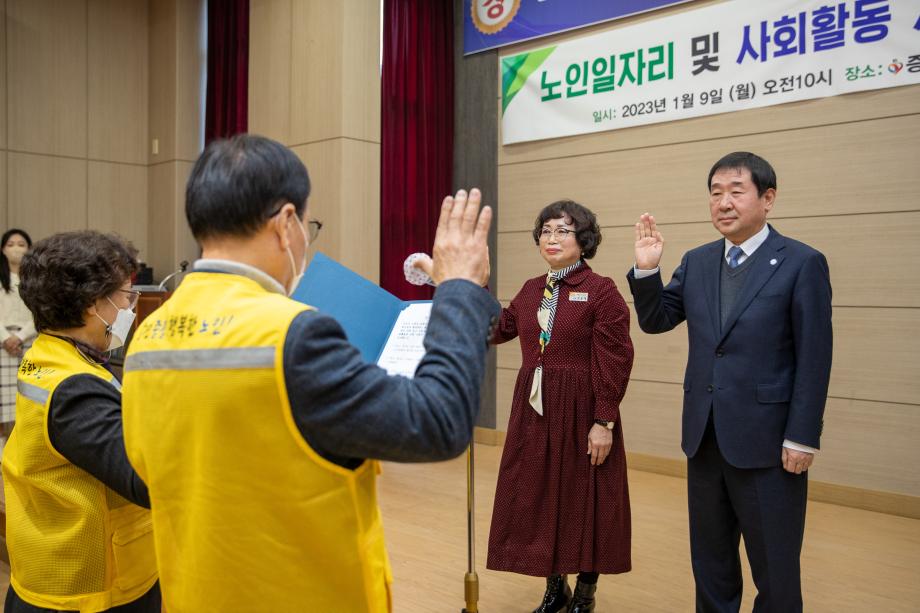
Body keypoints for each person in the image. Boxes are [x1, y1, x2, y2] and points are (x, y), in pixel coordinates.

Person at [120, 134, 498, 612]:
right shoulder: (292, 334)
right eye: (307, 226)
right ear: (286, 223)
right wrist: (459, 287)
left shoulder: (148, 335)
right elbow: (440, 422)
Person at [627, 152, 833, 612]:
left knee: (775, 570)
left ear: (768, 198)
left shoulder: (802, 263)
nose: (723, 202)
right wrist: (647, 271)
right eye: (715, 192)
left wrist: (802, 436)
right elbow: (657, 320)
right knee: (711, 565)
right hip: (704, 439)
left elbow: (815, 358)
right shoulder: (697, 261)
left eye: (736, 192)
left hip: (769, 444)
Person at [487, 200, 634, 613]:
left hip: (583, 412)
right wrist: (474, 288)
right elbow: (498, 328)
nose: (552, 238)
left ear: (583, 241)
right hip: (534, 413)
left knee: (585, 501)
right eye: (546, 231)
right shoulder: (532, 289)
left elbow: (616, 358)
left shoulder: (601, 291)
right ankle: (556, 589)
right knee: (540, 495)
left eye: (563, 231)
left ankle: (585, 594)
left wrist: (604, 420)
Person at [2, 231, 160, 612]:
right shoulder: (73, 390)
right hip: (87, 593)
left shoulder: (51, 353)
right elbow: (145, 479)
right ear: (93, 304)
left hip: (58, 572)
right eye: (126, 295)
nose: (131, 307)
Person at [0, 229, 37, 452]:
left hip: (28, 343)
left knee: (25, 399)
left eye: (21, 244)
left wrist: (20, 337)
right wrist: (6, 338)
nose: (16, 248)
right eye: (11, 244)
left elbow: (39, 313)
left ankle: (21, 451)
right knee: (3, 405)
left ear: (29, 249)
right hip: (2, 346)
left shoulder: (35, 280)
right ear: (3, 249)